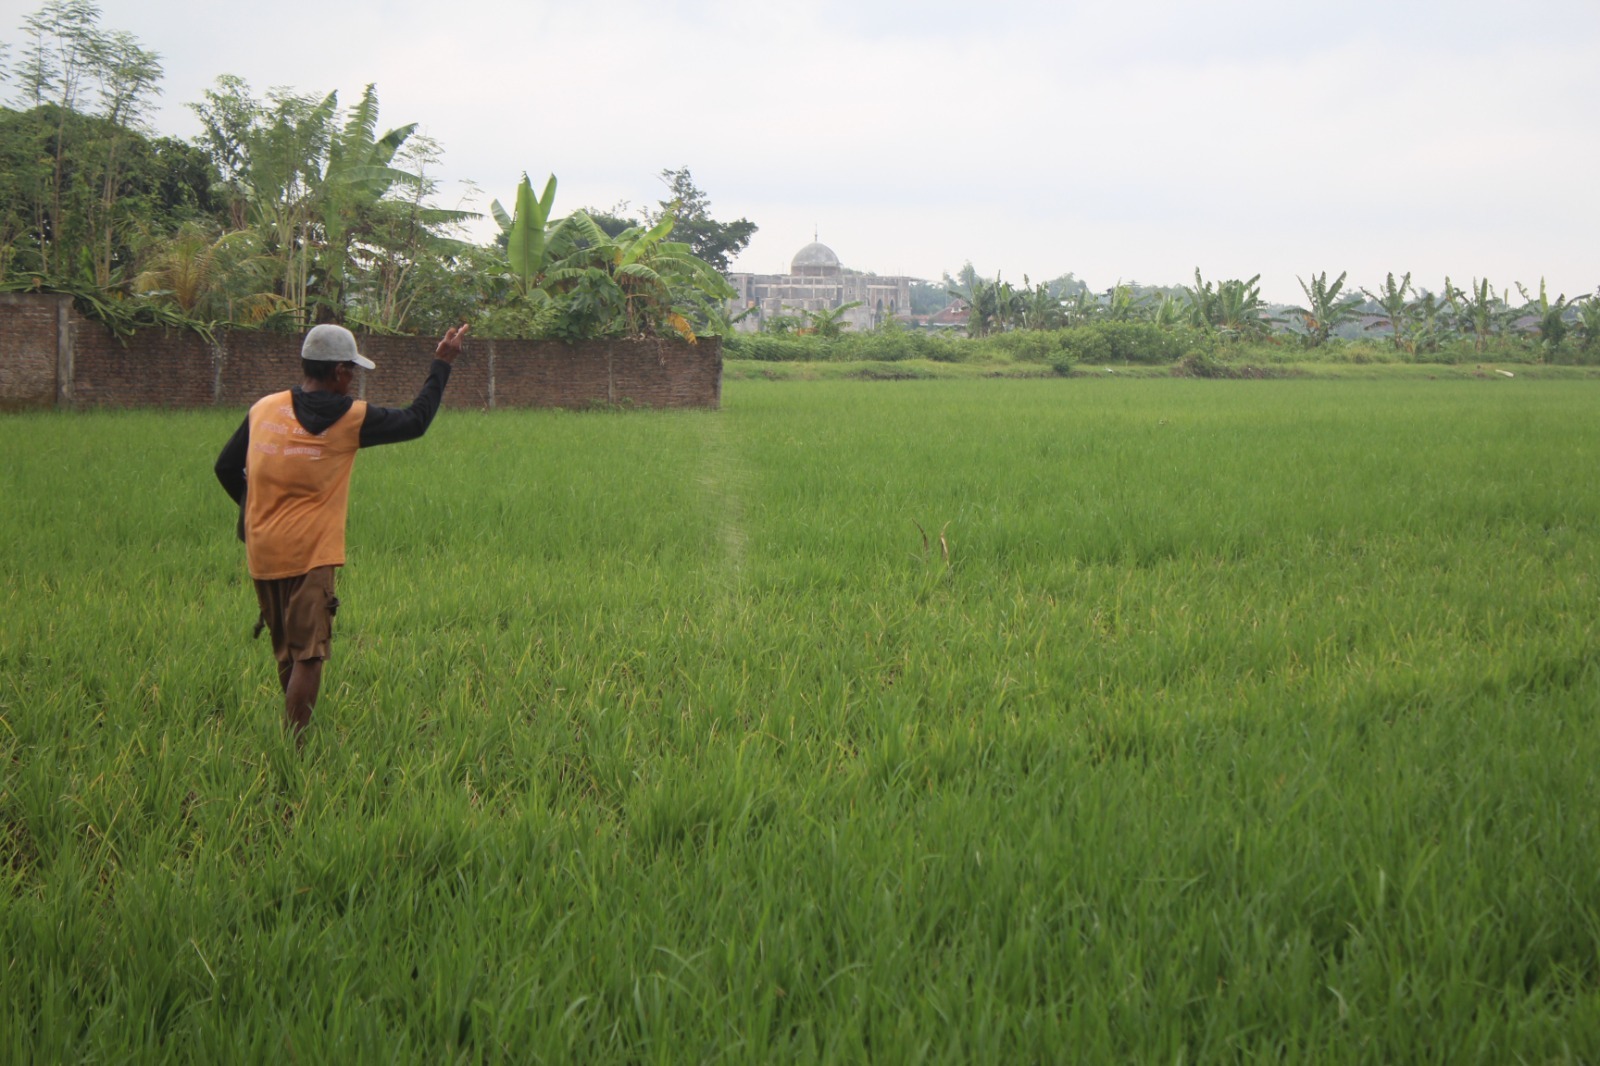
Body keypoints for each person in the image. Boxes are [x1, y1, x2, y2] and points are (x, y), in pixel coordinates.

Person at [215, 322, 469, 740]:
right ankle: (295, 749)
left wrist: (253, 512)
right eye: (351, 370)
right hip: (311, 554)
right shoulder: (350, 418)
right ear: (336, 372)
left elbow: (225, 468)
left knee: (288, 651)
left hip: (262, 552)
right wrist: (441, 363)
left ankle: (292, 733)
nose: (353, 378)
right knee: (310, 655)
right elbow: (415, 421)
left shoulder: (263, 409)